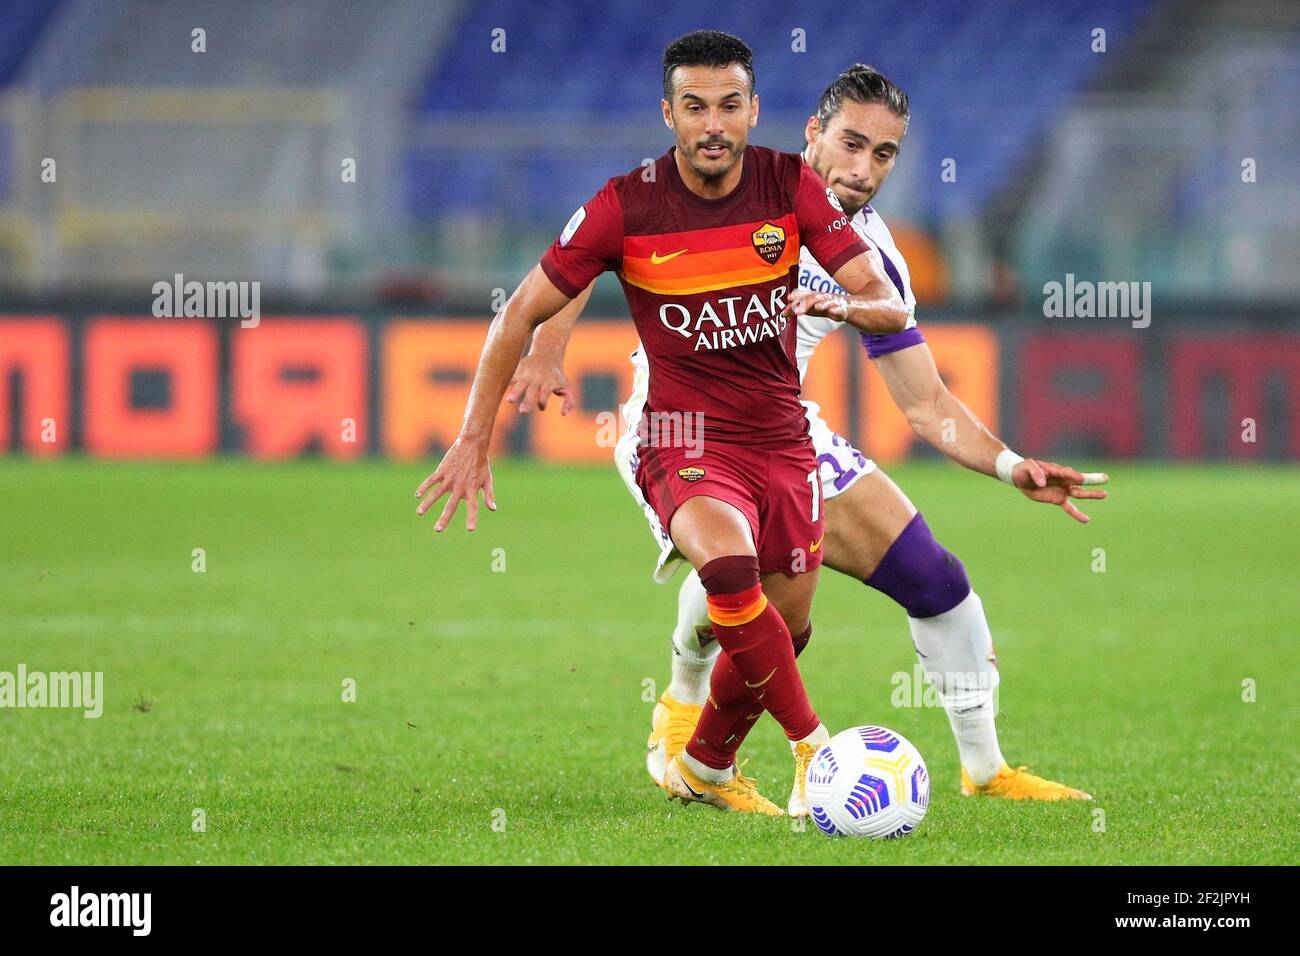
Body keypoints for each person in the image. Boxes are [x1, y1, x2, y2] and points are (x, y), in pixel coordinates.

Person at [508, 65, 1107, 815]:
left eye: (883, 154)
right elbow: (600, 243)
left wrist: (1011, 464)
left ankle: (985, 769)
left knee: (936, 582)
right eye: (850, 143)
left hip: (785, 431)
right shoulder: (741, 193)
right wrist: (546, 345)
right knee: (750, 581)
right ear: (811, 134)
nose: (862, 169)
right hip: (676, 424)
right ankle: (693, 715)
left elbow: (924, 403)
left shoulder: (872, 257)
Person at [416, 34, 912, 814]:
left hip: (781, 440)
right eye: (694, 106)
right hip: (678, 432)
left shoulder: (793, 190)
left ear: (752, 111)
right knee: (725, 570)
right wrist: (476, 434)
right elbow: (521, 308)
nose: (712, 124)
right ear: (669, 113)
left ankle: (707, 766)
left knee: (788, 622)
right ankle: (816, 751)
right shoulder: (627, 204)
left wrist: (841, 303)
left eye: (728, 106)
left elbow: (891, 303)